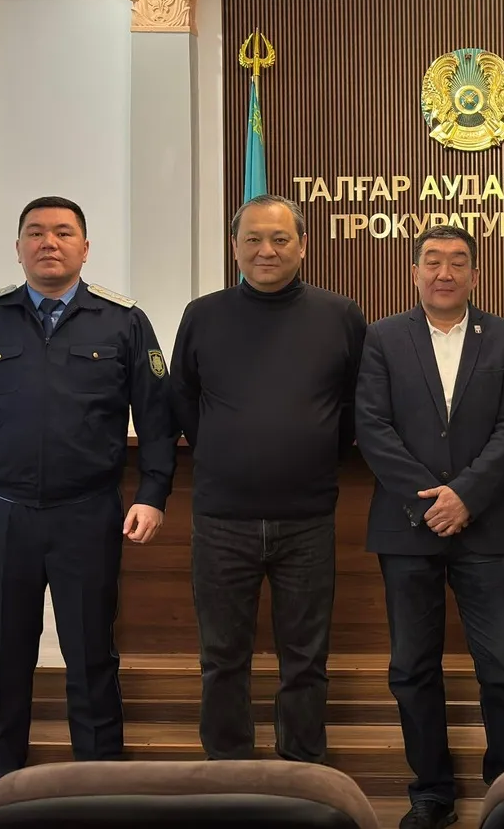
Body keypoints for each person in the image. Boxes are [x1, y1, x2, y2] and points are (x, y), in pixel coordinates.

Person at [0, 196, 175, 791]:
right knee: (3, 654)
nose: (48, 243)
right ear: (18, 248)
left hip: (88, 513)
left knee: (91, 653)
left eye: (63, 232)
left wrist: (153, 492)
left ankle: (98, 785)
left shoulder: (123, 321)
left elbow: (157, 419)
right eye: (35, 233)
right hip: (2, 512)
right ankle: (0, 785)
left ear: (85, 247)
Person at [171, 194, 367, 763]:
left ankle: (302, 773)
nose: (266, 250)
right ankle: (229, 774)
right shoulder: (202, 316)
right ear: (234, 247)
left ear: (303, 246)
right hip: (221, 518)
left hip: (307, 518)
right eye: (253, 239)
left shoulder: (341, 315)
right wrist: (224, 449)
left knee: (305, 660)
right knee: (221, 658)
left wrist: (313, 450)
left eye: (280, 239)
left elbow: (355, 405)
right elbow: (182, 399)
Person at [356, 224, 504, 829]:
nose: (444, 272)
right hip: (407, 528)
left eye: (458, 262)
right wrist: (431, 501)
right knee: (412, 668)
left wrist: (466, 496)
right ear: (414, 273)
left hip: (484, 526)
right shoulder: (383, 337)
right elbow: (372, 427)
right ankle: (430, 792)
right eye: (432, 261)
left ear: (476, 275)